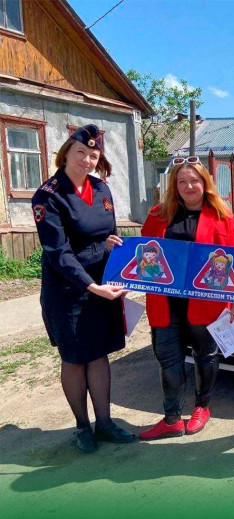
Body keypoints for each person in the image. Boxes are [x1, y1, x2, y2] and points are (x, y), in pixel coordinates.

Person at [31, 124, 136, 453]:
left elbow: (110, 234)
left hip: (102, 287)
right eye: (81, 153)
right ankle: (82, 427)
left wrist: (118, 265)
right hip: (69, 293)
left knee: (98, 354)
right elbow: (59, 254)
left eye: (94, 155)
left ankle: (104, 423)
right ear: (66, 153)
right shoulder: (48, 196)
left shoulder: (101, 189)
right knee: (75, 358)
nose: (87, 160)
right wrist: (92, 285)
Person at [139, 157, 234, 441]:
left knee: (205, 356)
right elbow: (144, 256)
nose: (188, 186)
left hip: (206, 303)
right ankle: (171, 418)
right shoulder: (158, 214)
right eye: (181, 181)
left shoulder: (223, 217)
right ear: (174, 185)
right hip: (165, 303)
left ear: (205, 183)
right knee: (168, 359)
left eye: (194, 180)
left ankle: (201, 408)